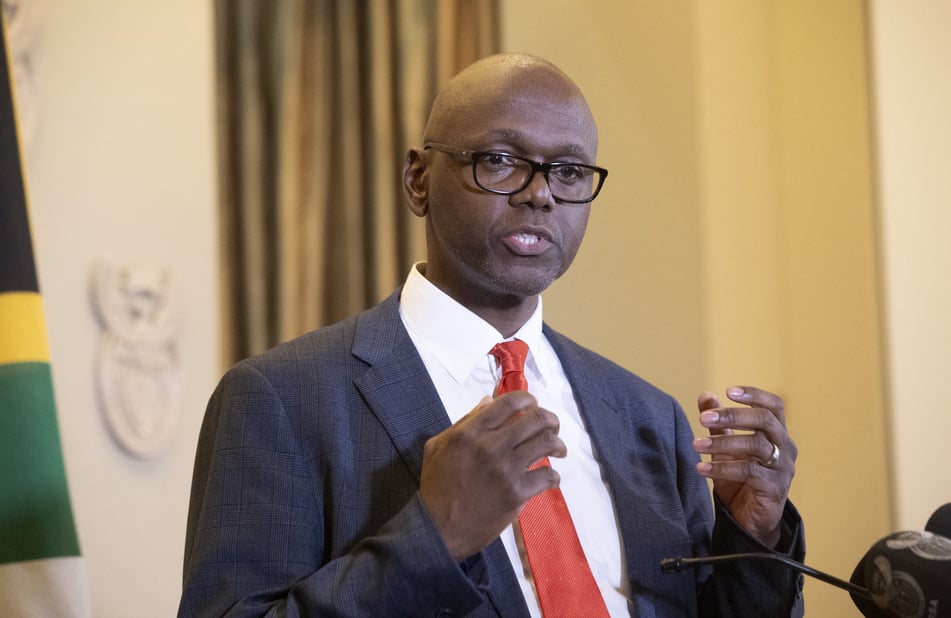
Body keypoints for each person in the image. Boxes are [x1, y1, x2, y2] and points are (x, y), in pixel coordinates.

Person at [179, 53, 805, 617]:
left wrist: (751, 539)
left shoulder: (649, 418)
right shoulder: (280, 399)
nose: (540, 194)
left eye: (568, 171)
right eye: (501, 162)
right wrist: (433, 537)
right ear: (418, 181)